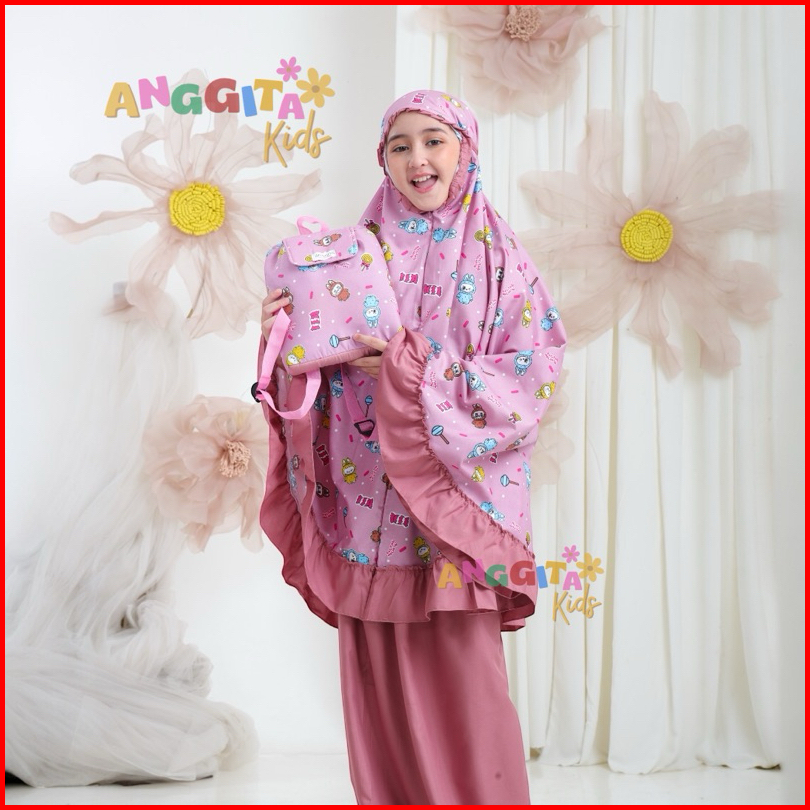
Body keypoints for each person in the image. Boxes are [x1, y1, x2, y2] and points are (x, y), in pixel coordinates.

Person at [256, 89, 566, 805]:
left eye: (434, 140)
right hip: (365, 501)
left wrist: (413, 370)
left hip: (455, 504)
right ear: (383, 159)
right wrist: (280, 336)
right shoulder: (347, 252)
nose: (417, 158)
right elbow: (308, 374)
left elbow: (532, 374)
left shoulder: (501, 261)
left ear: (466, 151)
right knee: (377, 680)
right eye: (400, 145)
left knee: (465, 679)